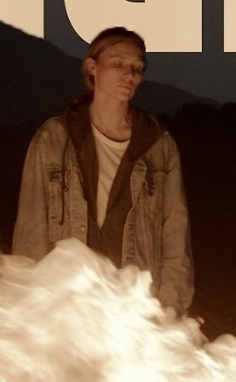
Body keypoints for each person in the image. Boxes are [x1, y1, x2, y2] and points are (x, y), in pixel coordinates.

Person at [12, 27, 194, 316]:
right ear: (92, 67)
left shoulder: (158, 145)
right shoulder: (54, 138)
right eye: (118, 64)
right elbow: (31, 231)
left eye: (137, 68)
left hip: (134, 307)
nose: (129, 74)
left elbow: (175, 235)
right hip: (68, 304)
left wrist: (169, 308)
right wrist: (33, 306)